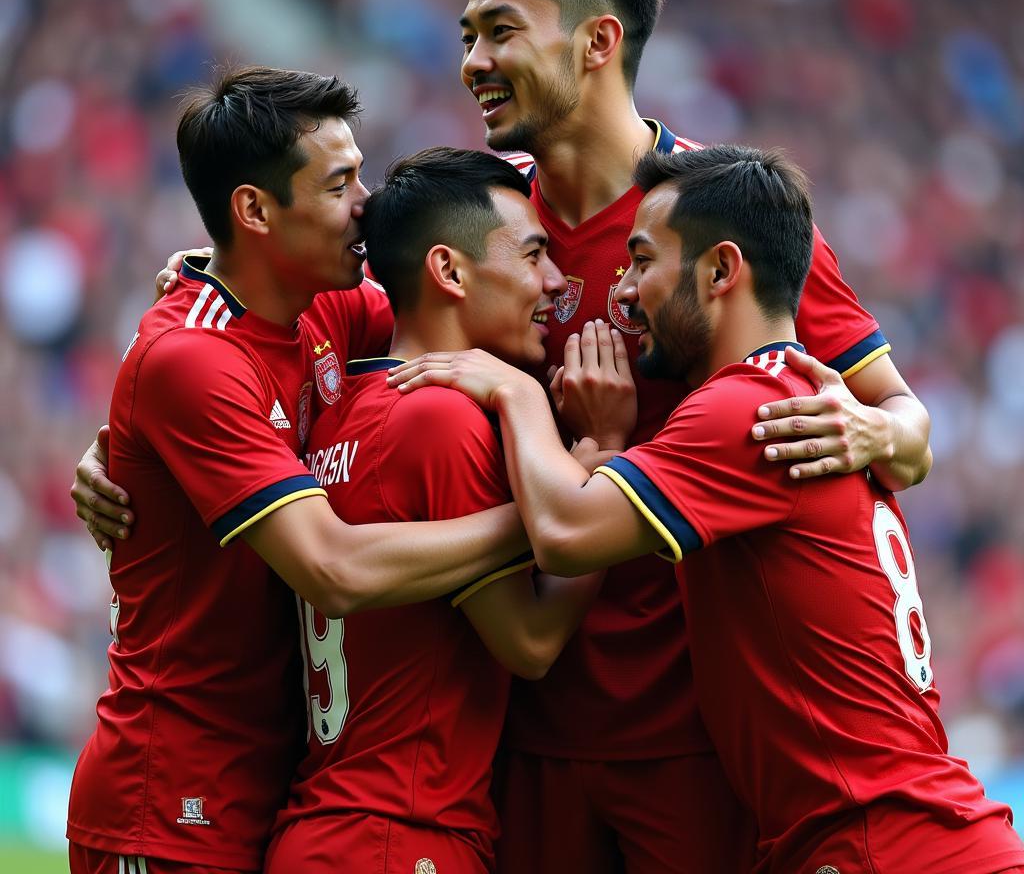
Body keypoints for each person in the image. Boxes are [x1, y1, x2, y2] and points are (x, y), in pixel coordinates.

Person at [449, 0, 933, 873]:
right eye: (467, 36)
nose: (474, 61)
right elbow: (312, 339)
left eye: (499, 31)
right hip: (520, 739)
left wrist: (879, 431)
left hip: (695, 750)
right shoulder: (477, 229)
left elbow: (907, 424)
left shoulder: (717, 225)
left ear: (595, 42)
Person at [387, 144, 1024, 874]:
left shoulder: (745, 409)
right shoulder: (806, 397)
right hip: (903, 832)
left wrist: (518, 394)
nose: (621, 293)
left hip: (879, 840)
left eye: (643, 262)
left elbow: (564, 532)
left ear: (722, 271)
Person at [66, 68, 529, 874]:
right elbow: (332, 569)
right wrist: (562, 522)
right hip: (170, 794)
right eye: (341, 183)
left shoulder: (324, 308)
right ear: (253, 211)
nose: (368, 205)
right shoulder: (192, 360)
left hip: (277, 789)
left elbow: (472, 287)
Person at [265, 147, 610, 874]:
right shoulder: (443, 420)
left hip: (326, 825)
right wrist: (601, 469)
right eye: (534, 254)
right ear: (449, 272)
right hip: (402, 835)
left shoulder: (335, 411)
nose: (554, 283)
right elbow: (531, 642)